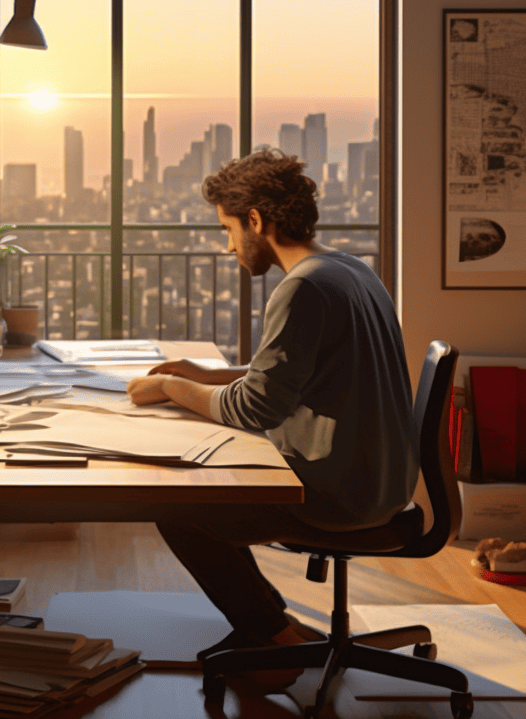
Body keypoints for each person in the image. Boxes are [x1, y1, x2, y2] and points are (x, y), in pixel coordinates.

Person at [126, 149, 416, 691]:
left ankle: (278, 639)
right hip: (382, 479)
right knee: (208, 487)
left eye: (229, 230)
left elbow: (258, 407)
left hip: (338, 492)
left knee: (179, 507)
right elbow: (298, 372)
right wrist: (207, 374)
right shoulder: (349, 270)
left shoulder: (302, 287)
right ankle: (272, 625)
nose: (228, 245)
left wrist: (170, 387)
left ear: (256, 221)